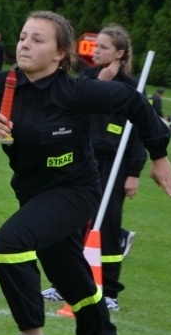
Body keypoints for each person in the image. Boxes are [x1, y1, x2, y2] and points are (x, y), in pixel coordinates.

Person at [0, 11, 171, 335]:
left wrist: (158, 156)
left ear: (61, 54)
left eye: (38, 39)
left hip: (76, 192)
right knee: (73, 281)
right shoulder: (3, 84)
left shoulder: (76, 91)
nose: (25, 44)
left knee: (9, 244)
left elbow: (132, 101)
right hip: (33, 195)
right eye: (23, 36)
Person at [41, 24, 145, 312]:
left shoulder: (133, 87)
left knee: (107, 225)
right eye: (95, 45)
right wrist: (100, 81)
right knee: (72, 221)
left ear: (120, 53)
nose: (95, 51)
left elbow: (139, 131)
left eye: (103, 47)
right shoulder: (85, 78)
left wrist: (134, 172)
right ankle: (64, 284)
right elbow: (73, 110)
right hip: (82, 157)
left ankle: (109, 290)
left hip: (115, 164)